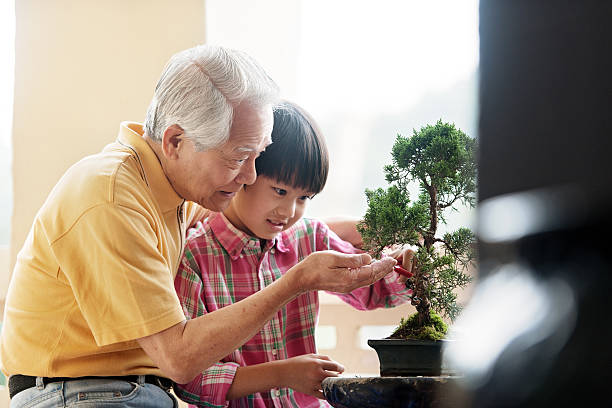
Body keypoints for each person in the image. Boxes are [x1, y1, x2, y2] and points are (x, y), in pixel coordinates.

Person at [0, 45, 396, 408]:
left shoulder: (170, 191)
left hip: (132, 392)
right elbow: (179, 358)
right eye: (239, 157)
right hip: (78, 393)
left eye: (256, 156)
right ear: (175, 141)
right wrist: (296, 280)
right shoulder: (113, 196)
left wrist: (354, 229)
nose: (249, 175)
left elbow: (255, 225)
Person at [173, 101, 415, 407]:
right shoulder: (196, 256)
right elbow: (190, 380)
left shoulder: (309, 238)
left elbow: (376, 291)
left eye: (303, 198)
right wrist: (282, 374)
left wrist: (406, 262)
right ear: (244, 172)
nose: (288, 212)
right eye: (279, 191)